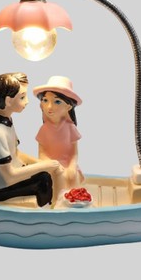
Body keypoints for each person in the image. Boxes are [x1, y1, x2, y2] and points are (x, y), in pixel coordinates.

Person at [0, 72, 62, 207]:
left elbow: (16, 153)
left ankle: (52, 204)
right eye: (22, 97)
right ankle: (46, 211)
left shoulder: (7, 123)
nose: (27, 101)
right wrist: (45, 166)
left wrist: (43, 163)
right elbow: (9, 176)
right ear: (8, 101)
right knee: (44, 180)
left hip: (11, 176)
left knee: (45, 172)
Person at [33, 76, 84, 204]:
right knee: (58, 177)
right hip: (50, 165)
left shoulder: (70, 128)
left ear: (68, 107)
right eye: (45, 100)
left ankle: (75, 202)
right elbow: (42, 153)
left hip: (67, 163)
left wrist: (72, 165)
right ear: (41, 105)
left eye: (57, 102)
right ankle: (57, 203)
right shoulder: (44, 130)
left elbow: (74, 153)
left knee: (73, 176)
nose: (49, 106)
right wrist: (52, 164)